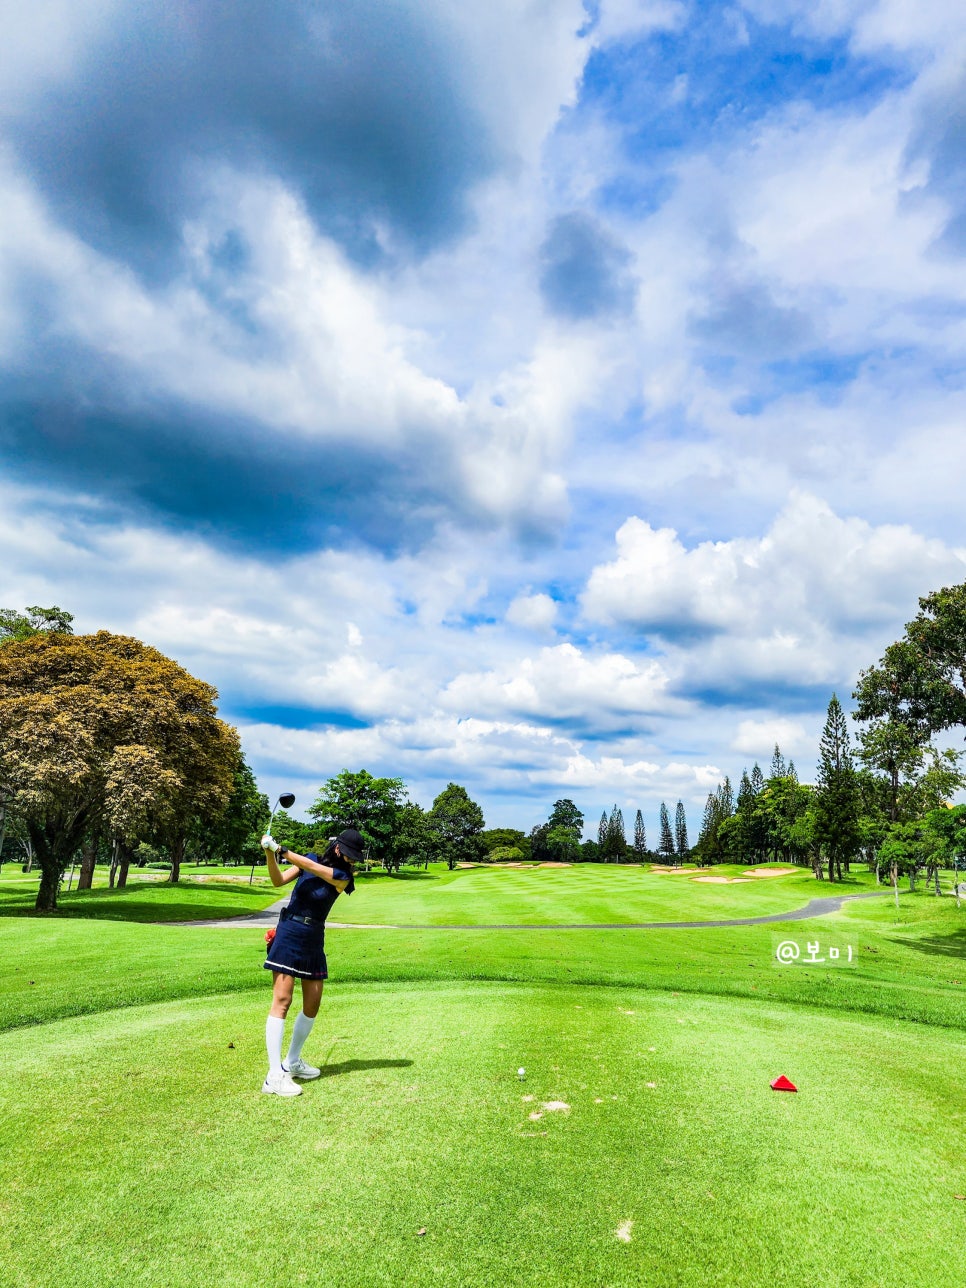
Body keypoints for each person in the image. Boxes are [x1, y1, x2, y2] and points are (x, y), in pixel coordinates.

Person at [258, 827, 365, 1097]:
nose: (352, 860)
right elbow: (278, 880)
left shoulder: (344, 876)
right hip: (290, 931)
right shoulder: (310, 858)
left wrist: (282, 850)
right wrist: (270, 854)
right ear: (338, 848)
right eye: (349, 855)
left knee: (313, 1002)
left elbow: (315, 869)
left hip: (314, 936)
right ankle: (273, 1076)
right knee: (282, 1001)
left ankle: (291, 1061)